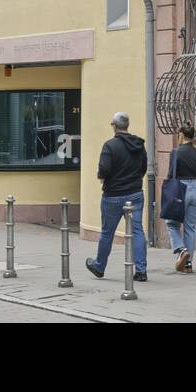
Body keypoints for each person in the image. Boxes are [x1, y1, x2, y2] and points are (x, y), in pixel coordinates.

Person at [87, 112, 148, 282]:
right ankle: (141, 271)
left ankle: (99, 266)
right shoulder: (139, 145)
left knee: (107, 233)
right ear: (127, 125)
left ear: (114, 125)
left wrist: (101, 176)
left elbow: (104, 169)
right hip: (135, 194)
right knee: (137, 231)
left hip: (112, 195)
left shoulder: (110, 146)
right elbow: (143, 167)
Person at [166, 124, 196, 273]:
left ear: (181, 135)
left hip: (180, 190)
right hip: (195, 190)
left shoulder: (176, 153)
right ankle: (188, 265)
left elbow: (171, 174)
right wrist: (193, 176)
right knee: (190, 227)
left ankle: (182, 249)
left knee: (172, 223)